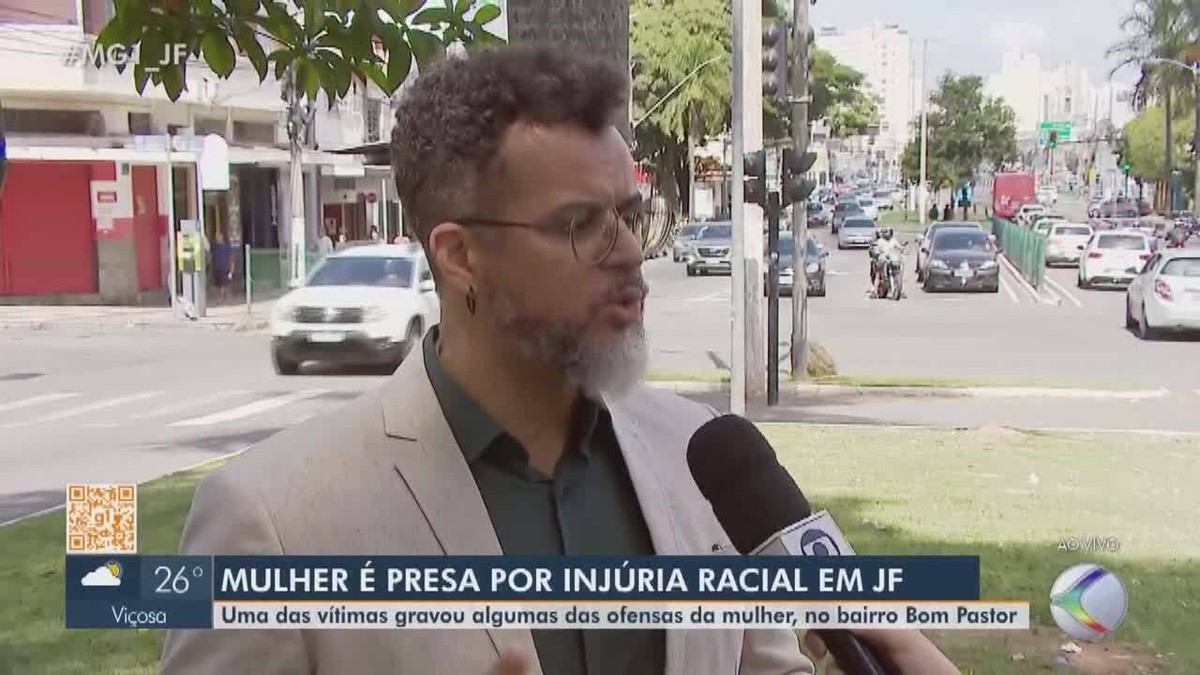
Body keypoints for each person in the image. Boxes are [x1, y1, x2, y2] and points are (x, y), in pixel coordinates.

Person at [160, 45, 958, 675]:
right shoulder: (271, 521)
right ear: (460, 256)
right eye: (581, 224)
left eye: (630, 215)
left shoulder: (704, 462)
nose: (630, 253)